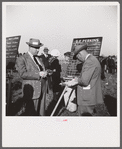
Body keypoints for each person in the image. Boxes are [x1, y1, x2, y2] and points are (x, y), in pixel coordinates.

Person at [64, 44, 104, 116]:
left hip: (86, 97)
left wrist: (76, 80)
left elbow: (84, 81)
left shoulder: (89, 62)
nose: (79, 60)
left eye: (78, 58)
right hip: (89, 95)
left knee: (84, 118)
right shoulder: (92, 59)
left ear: (79, 54)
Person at [16, 38, 47, 116]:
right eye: (36, 48)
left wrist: (47, 72)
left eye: (38, 48)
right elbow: (23, 74)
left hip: (42, 88)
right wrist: (38, 74)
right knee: (31, 112)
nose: (38, 50)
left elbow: (41, 69)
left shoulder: (39, 58)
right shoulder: (22, 59)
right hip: (32, 90)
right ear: (30, 47)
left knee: (41, 112)